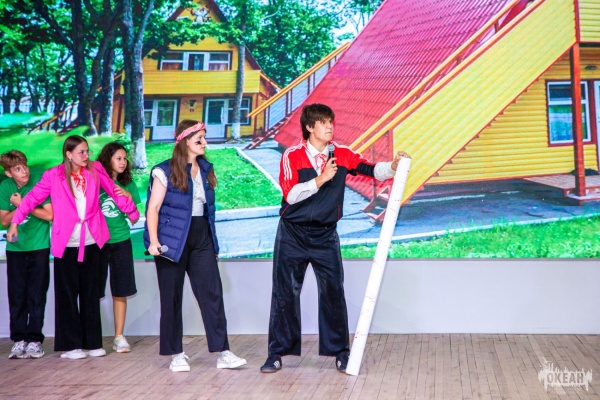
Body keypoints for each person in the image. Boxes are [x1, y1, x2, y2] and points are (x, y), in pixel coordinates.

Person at [260, 103, 410, 373]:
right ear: (309, 127)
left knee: (333, 292)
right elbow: (290, 195)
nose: (329, 127)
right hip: (292, 234)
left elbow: (371, 170)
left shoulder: (341, 153)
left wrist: (393, 166)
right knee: (285, 293)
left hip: (326, 235)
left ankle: (341, 352)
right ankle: (276, 353)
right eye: (323, 122)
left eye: (331, 122)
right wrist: (320, 179)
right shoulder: (292, 155)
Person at [7, 135, 140, 360]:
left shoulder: (95, 169)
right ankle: (71, 346)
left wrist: (132, 211)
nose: (86, 155)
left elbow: (113, 190)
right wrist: (15, 222)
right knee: (67, 296)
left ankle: (94, 344)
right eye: (81, 152)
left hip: (93, 241)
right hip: (66, 243)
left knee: (90, 294)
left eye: (87, 151)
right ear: (69, 154)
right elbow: (31, 199)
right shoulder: (53, 175)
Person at [144, 119, 246, 372]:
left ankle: (223, 352)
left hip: (201, 235)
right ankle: (176, 354)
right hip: (171, 239)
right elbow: (153, 208)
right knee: (171, 297)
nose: (205, 143)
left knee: (212, 294)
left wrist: (213, 243)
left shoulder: (205, 169)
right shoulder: (163, 171)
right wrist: (154, 241)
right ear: (184, 142)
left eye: (204, 138)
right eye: (199, 139)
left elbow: (208, 211)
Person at [0, 150, 53, 359]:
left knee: (37, 295)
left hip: (39, 247)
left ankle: (35, 340)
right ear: (8, 173)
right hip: (16, 250)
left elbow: (49, 215)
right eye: (18, 169)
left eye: (25, 166)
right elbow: (4, 220)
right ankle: (19, 339)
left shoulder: (39, 184)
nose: (24, 171)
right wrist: (19, 206)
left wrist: (23, 205)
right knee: (17, 295)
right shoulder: (5, 187)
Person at [97, 142, 141, 353]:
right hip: (97, 243)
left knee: (120, 290)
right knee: (93, 290)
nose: (123, 162)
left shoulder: (128, 184)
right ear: (108, 160)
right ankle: (91, 335)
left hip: (121, 241)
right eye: (118, 158)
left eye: (125, 159)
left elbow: (134, 219)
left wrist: (128, 198)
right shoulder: (95, 182)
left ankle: (119, 336)